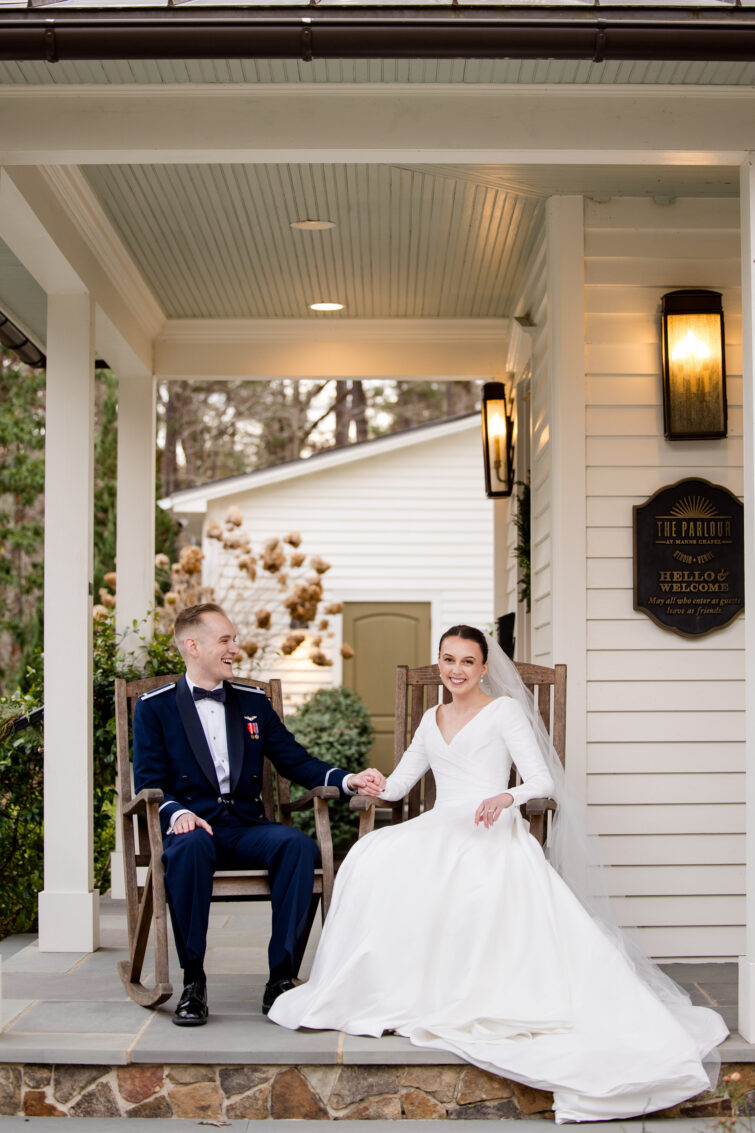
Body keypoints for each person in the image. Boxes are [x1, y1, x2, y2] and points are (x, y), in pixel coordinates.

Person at [270, 624, 728, 1123]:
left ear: (485, 667)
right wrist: (372, 781)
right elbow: (401, 787)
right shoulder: (432, 717)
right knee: (372, 855)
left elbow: (541, 779)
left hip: (490, 824)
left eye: (468, 661)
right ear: (439, 662)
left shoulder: (504, 712)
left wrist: (506, 796)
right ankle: (388, 986)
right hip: (441, 823)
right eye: (449, 659)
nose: (457, 670)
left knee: (468, 868)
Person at [132, 602, 384, 1026]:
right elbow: (149, 783)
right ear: (193, 646)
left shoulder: (252, 701)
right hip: (194, 827)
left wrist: (346, 780)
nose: (235, 648)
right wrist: (176, 814)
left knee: (297, 847)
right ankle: (193, 980)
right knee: (188, 847)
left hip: (246, 827)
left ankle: (280, 979)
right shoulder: (153, 707)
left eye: (234, 639)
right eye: (225, 641)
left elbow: (295, 761)